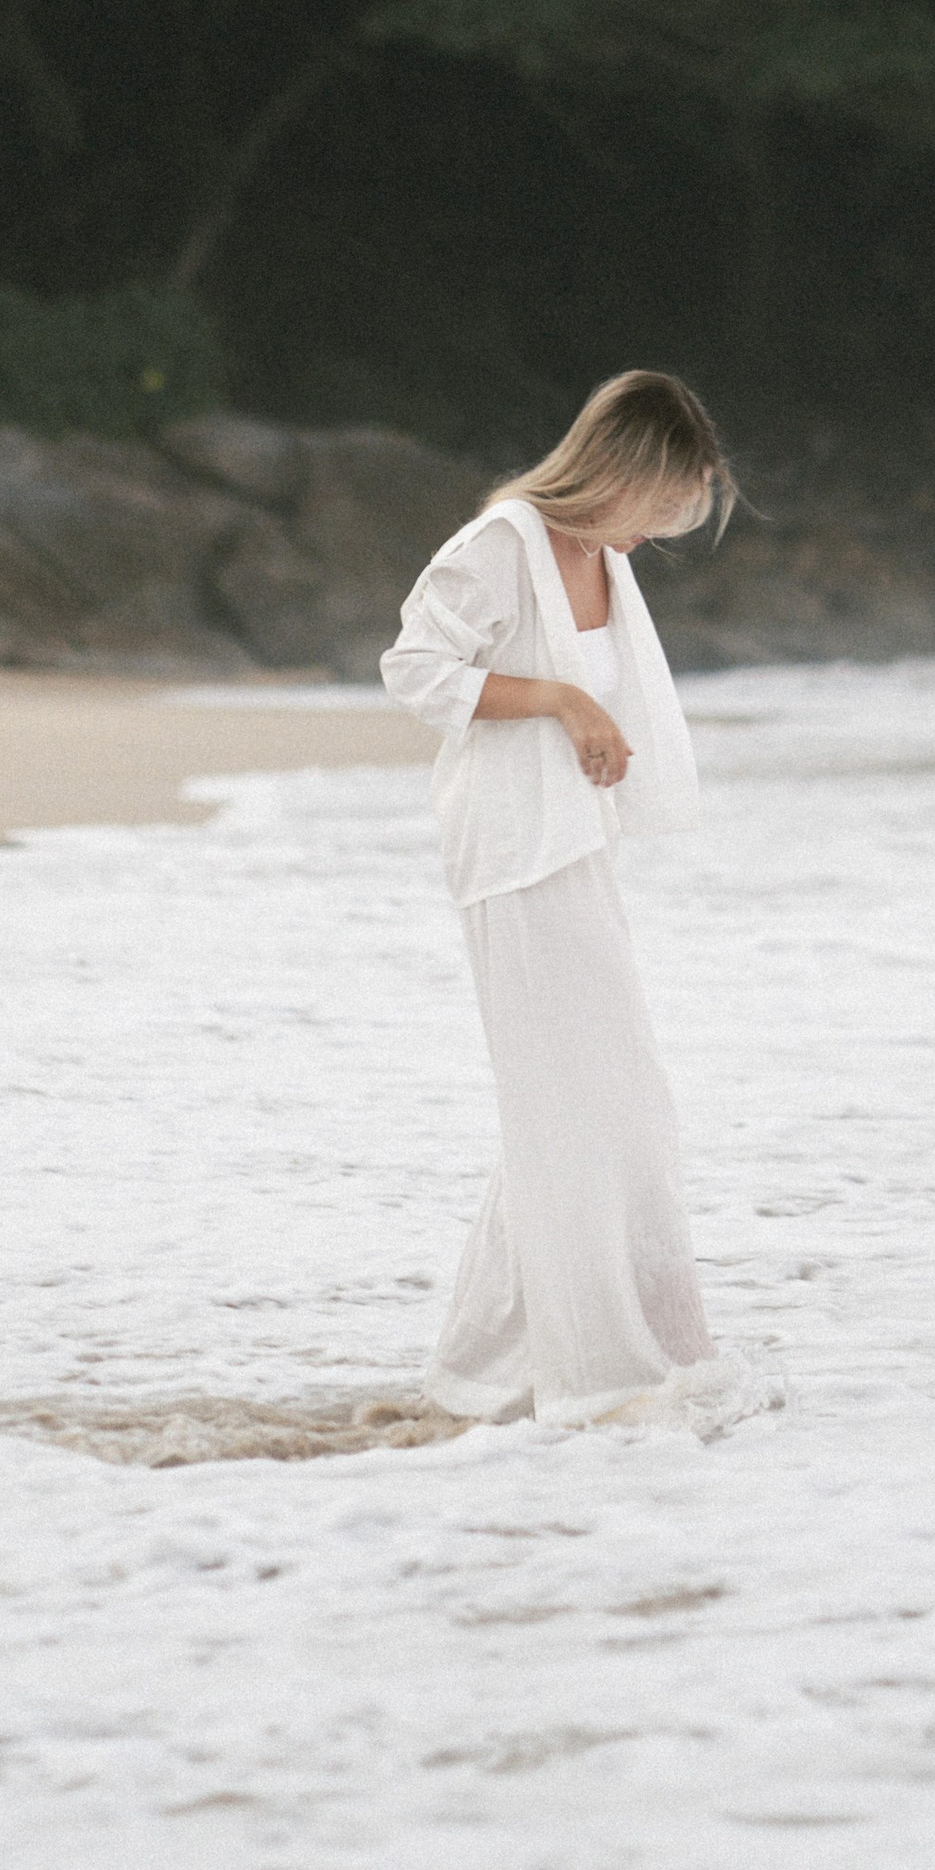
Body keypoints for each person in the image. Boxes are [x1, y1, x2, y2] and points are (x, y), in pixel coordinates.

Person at [381, 368, 742, 1428]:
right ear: (621, 471)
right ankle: (597, 1374)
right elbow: (413, 669)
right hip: (509, 855)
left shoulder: (596, 558)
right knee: (577, 1111)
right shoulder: (502, 544)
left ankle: (500, 1370)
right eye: (663, 504)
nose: (663, 531)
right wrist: (562, 698)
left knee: (612, 1111)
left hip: (574, 851)